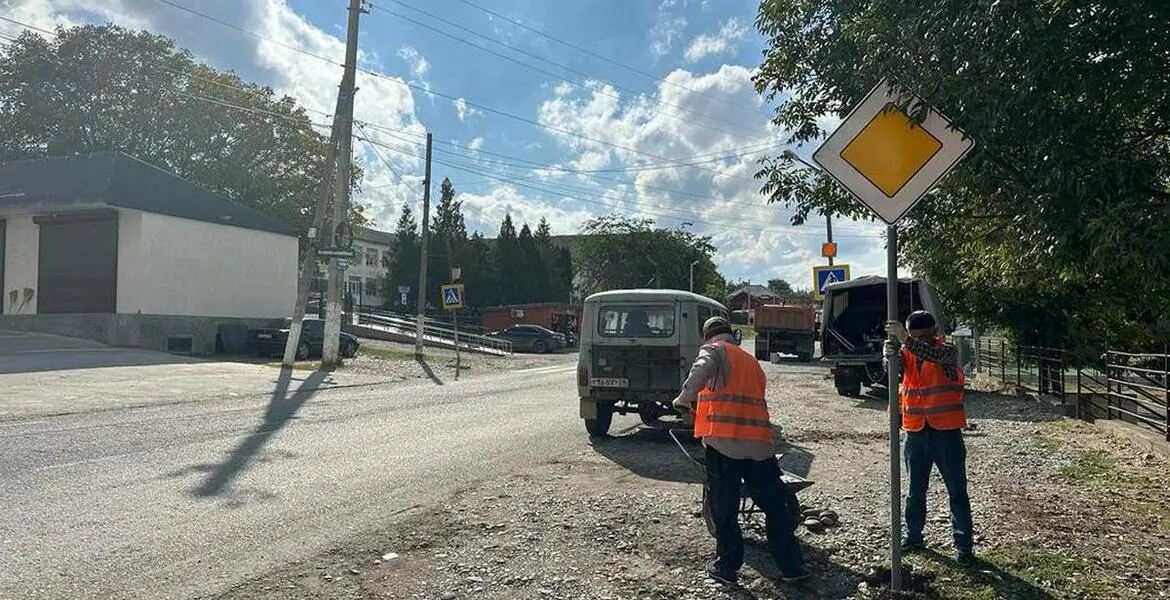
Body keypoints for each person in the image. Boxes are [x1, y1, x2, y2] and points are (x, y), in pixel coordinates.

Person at [672, 316, 811, 585]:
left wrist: (683, 398)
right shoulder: (750, 362)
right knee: (775, 507)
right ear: (731, 334)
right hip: (759, 446)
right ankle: (792, 568)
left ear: (707, 336)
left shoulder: (714, 350)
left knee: (725, 507)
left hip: (724, 445)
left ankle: (726, 568)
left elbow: (700, 371)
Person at [884, 310, 976, 565]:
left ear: (934, 332)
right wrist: (888, 356)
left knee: (957, 492)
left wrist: (905, 340)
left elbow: (932, 355)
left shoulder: (946, 351)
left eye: (925, 336)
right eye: (915, 336)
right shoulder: (907, 351)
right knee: (915, 491)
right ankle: (913, 537)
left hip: (946, 433)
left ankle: (964, 546)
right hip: (915, 431)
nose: (920, 341)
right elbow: (895, 372)